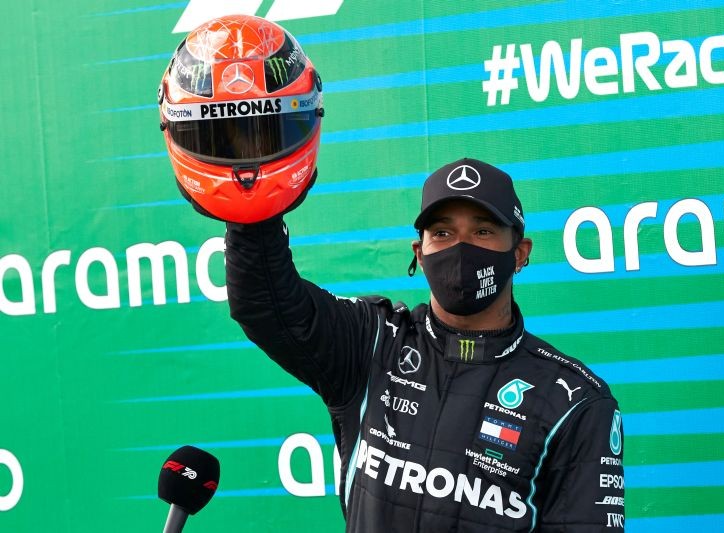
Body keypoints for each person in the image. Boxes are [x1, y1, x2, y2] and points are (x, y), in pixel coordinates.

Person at [161, 16, 624, 532]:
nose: (461, 248)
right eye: (443, 234)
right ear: (419, 251)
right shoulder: (370, 345)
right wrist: (252, 203)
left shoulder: (575, 400)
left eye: (484, 232)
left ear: (520, 253)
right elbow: (267, 305)